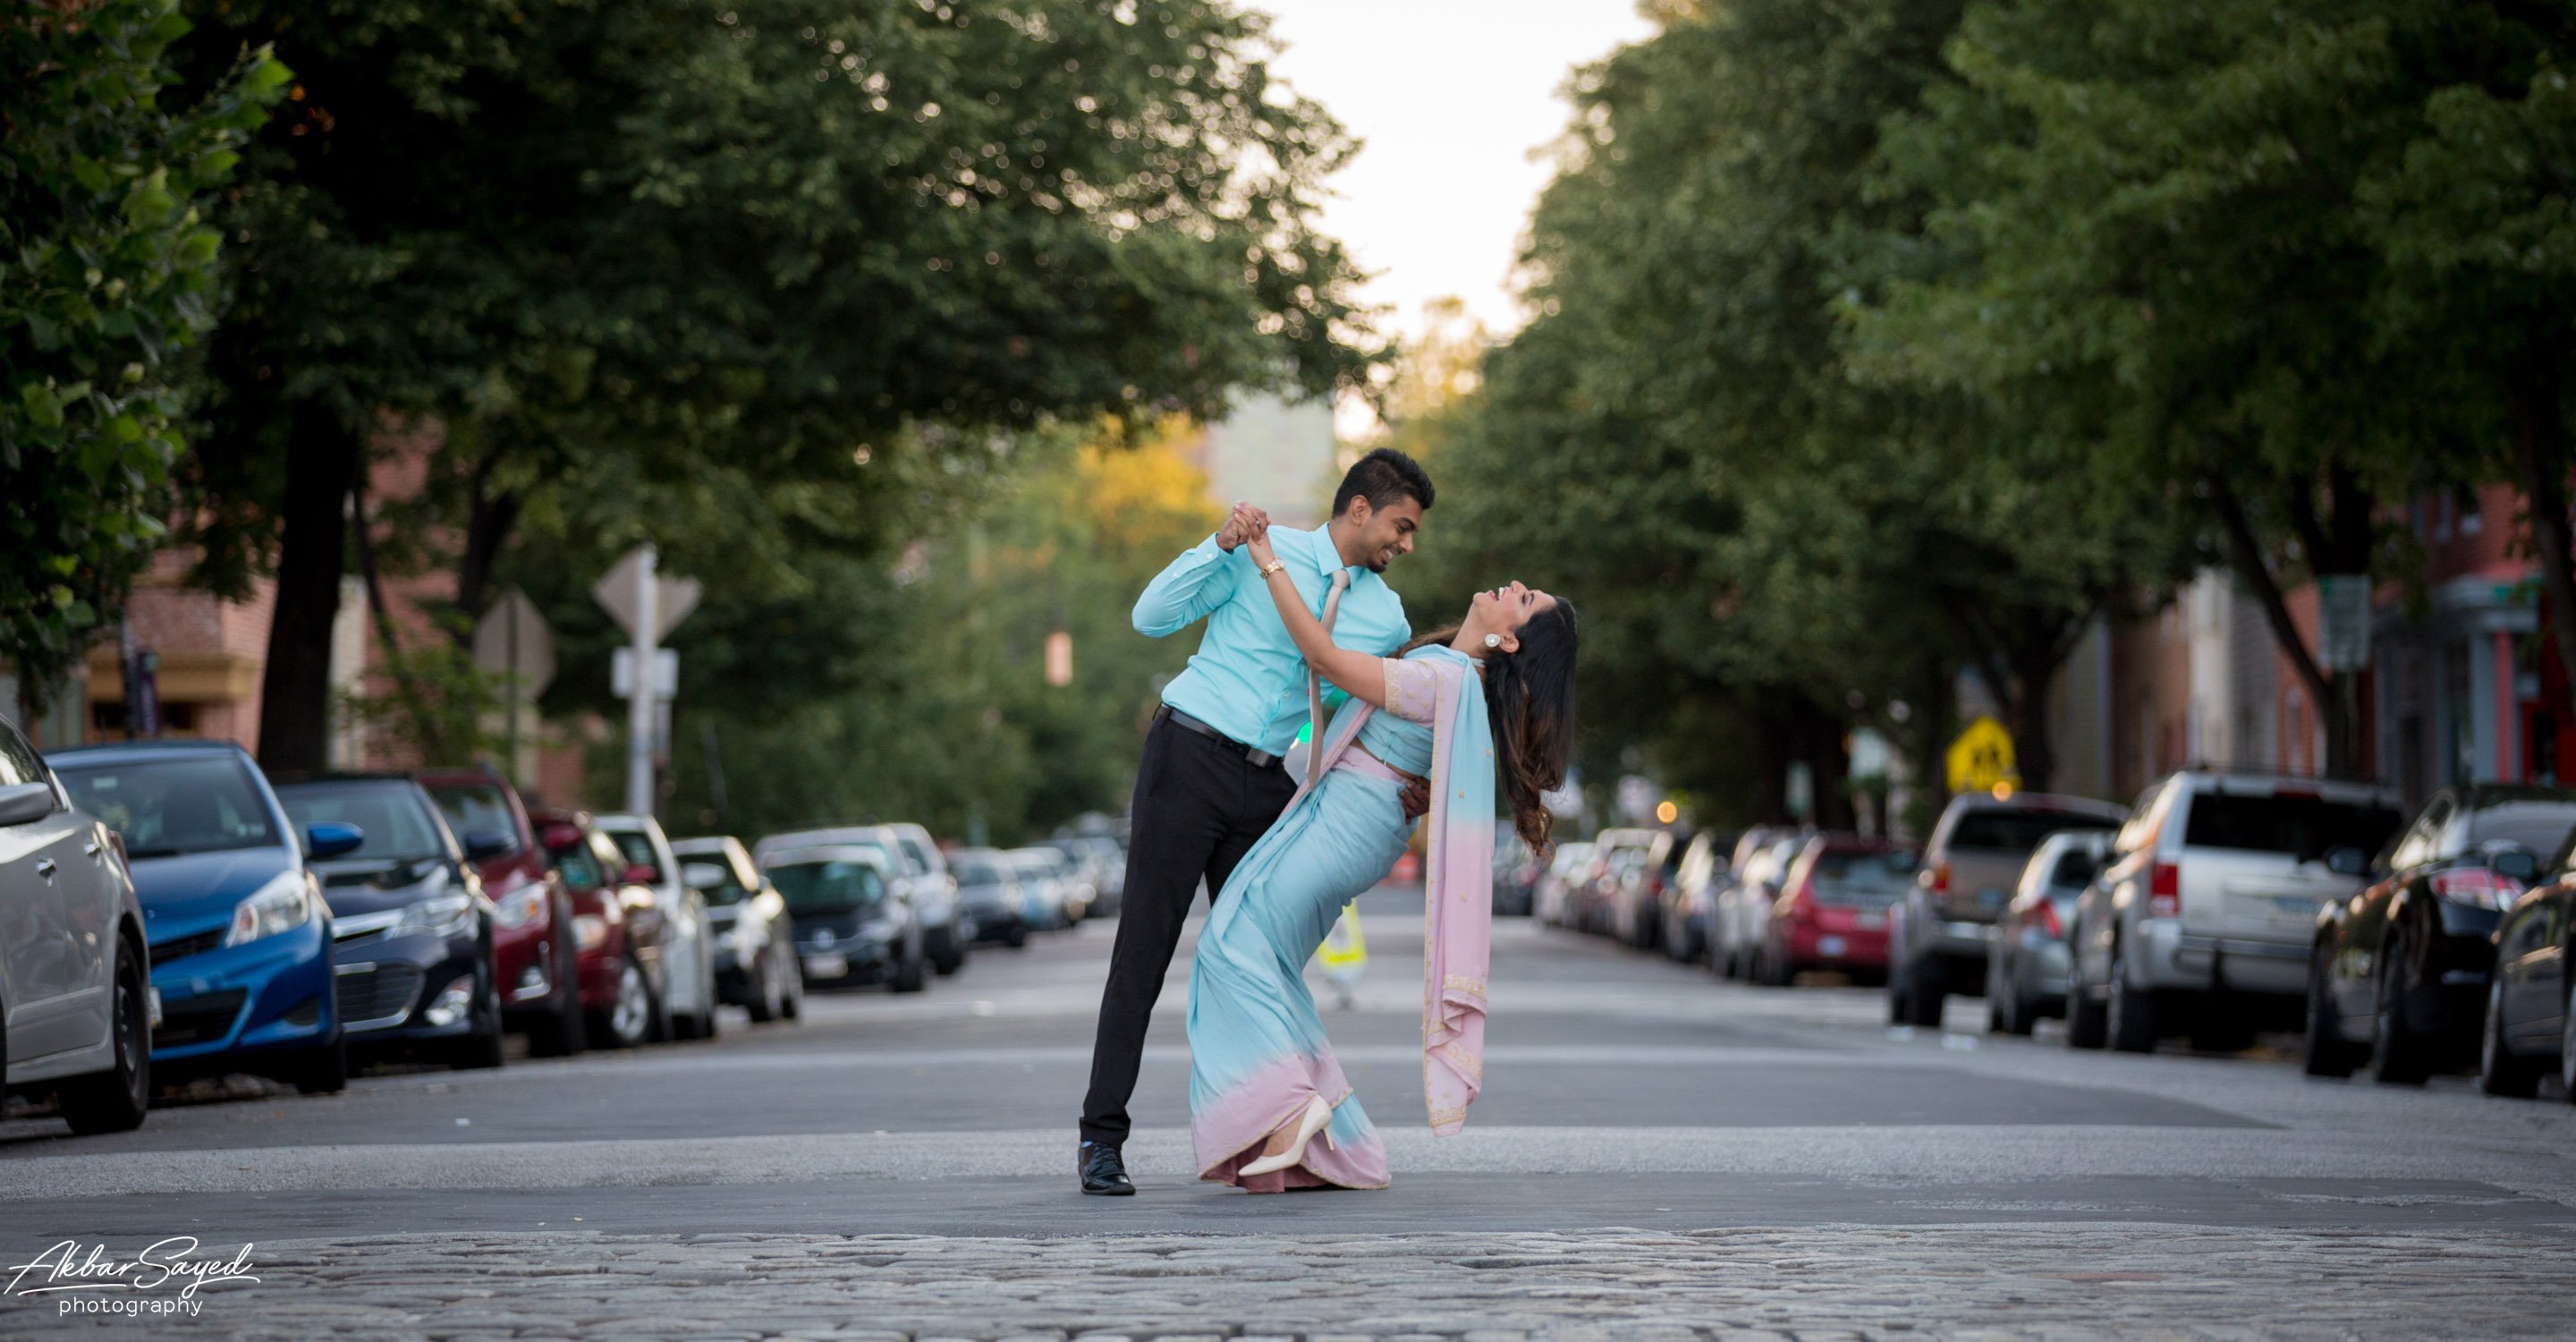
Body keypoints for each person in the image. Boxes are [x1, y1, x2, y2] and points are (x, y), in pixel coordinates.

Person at [1078, 449, 1437, 1196]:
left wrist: (1409, 780)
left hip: (1267, 783)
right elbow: (1150, 618)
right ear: (1361, 507)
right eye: (1401, 526)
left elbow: (1357, 710)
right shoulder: (1257, 550)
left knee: (1256, 958)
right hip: (1188, 755)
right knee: (1142, 955)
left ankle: (1265, 1132)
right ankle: (1101, 1140)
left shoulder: (1384, 614)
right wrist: (1217, 545)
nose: (1406, 545)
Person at [1188, 521, 1577, 1192]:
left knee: (1231, 948)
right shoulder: (1454, 682)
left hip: (1345, 826)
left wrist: (1267, 561)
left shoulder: (1441, 679)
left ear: (1509, 638)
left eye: (1525, 598)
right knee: (1268, 962)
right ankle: (1327, 1149)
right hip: (1357, 825)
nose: (1513, 586)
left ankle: (1289, 1106)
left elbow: (1328, 661)